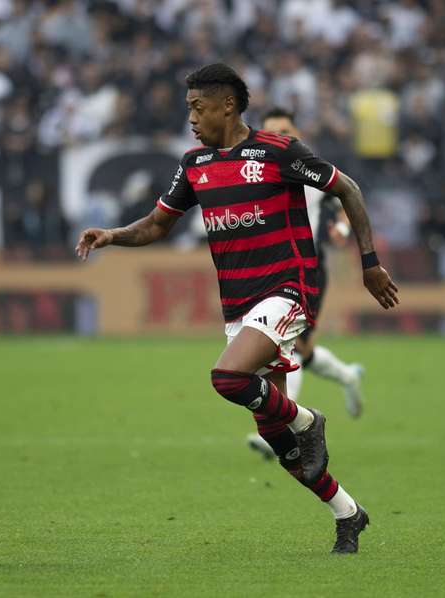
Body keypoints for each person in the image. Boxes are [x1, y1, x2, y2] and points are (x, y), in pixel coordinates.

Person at [75, 64, 399, 554]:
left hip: (288, 291)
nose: (191, 117)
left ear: (226, 105)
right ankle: (348, 513)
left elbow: (346, 188)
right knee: (279, 440)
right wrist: (114, 236)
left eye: (197, 107)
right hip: (240, 305)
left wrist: (369, 263)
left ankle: (310, 420)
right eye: (188, 108)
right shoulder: (193, 164)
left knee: (227, 378)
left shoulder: (279, 152)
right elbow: (158, 225)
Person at [244, 107, 367, 460]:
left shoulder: (308, 165)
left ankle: (281, 429)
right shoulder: (255, 171)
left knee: (289, 348)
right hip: (270, 268)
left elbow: (343, 198)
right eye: (271, 131)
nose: (279, 136)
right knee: (302, 350)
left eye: (285, 129)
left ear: (297, 131)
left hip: (307, 268)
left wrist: (341, 229)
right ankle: (347, 377)